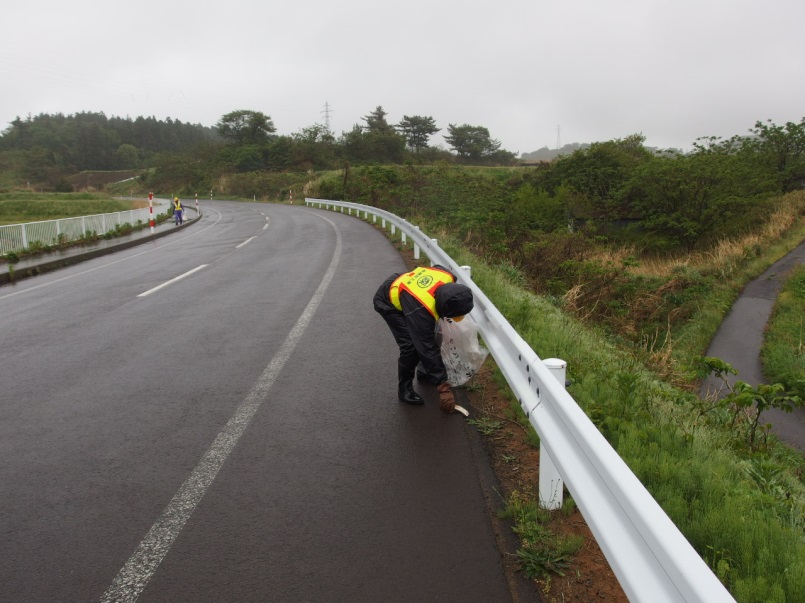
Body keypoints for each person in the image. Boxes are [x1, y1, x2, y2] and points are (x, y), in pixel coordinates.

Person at [373, 265, 474, 413]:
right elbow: (427, 347)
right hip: (388, 301)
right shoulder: (420, 310)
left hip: (405, 287)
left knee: (433, 332)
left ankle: (424, 372)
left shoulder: (447, 276)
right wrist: (443, 388)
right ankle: (404, 389)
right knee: (411, 346)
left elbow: (436, 268)